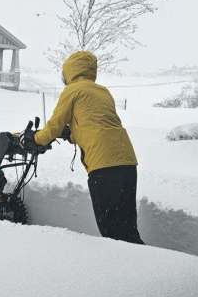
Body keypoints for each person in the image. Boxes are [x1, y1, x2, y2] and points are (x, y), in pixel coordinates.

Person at [32, 50, 143, 244]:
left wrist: (35, 139)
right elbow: (96, 124)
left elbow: (54, 125)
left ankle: (131, 268)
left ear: (69, 71)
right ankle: (145, 263)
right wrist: (72, 134)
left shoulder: (72, 90)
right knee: (127, 227)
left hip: (104, 164)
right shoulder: (102, 91)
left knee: (111, 230)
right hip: (126, 161)